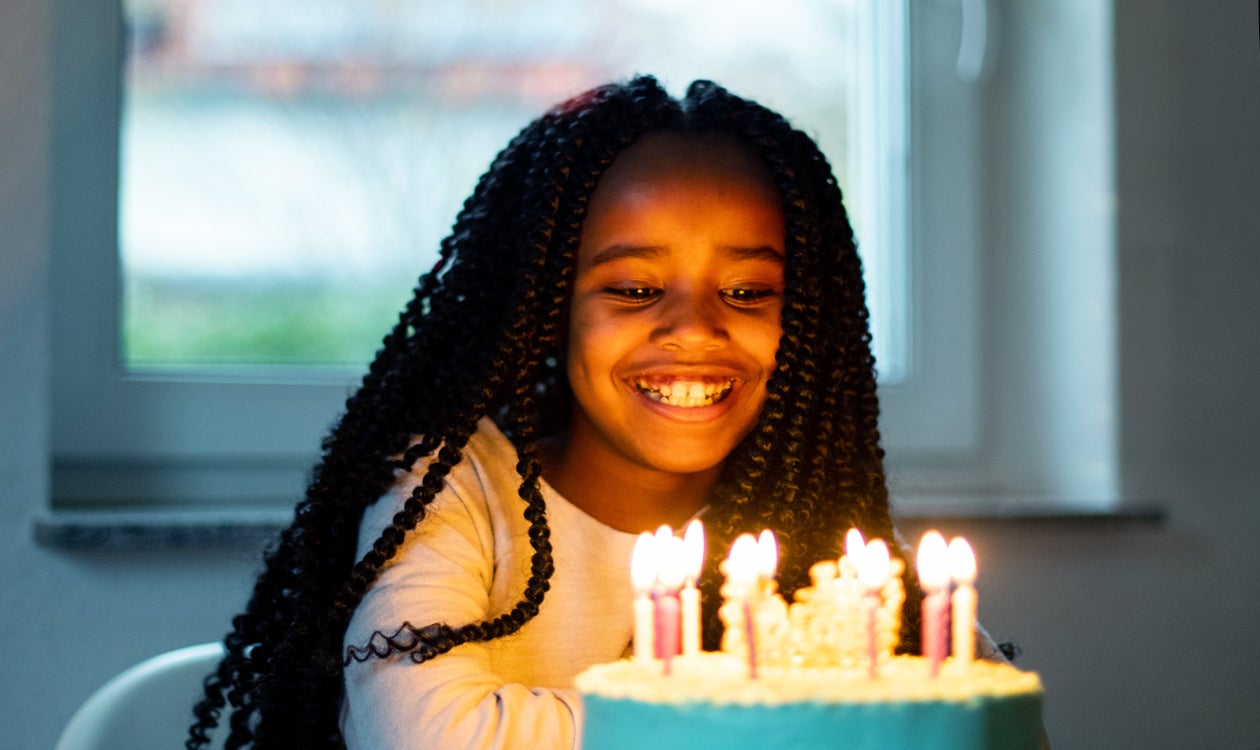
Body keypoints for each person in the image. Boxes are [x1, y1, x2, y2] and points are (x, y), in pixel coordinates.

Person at [188, 75, 920, 750]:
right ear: (547, 309)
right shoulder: (450, 486)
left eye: (750, 292)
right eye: (633, 290)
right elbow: (427, 736)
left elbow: (979, 720)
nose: (695, 328)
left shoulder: (821, 515)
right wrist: (777, 712)